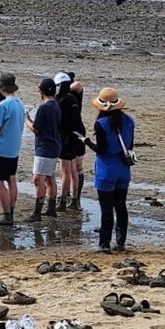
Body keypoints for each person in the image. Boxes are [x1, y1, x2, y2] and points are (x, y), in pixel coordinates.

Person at [83, 87, 134, 253]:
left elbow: (102, 149)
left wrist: (87, 142)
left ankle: (104, 244)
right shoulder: (129, 121)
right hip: (123, 168)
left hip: (106, 169)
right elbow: (130, 146)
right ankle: (121, 241)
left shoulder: (101, 124)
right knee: (121, 206)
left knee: (106, 209)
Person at [0, 73, 25, 225]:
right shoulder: (20, 103)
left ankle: (6, 215)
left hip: (3, 147)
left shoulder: (3, 105)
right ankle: (11, 209)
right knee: (11, 178)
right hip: (15, 147)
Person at [24, 78, 62, 221]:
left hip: (45, 147)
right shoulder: (56, 106)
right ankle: (51, 208)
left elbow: (36, 129)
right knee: (50, 177)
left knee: (38, 178)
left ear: (41, 91)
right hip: (54, 146)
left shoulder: (44, 107)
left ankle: (37, 213)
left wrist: (26, 120)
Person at [54, 72, 85, 212]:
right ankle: (74, 200)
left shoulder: (60, 100)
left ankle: (63, 201)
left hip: (65, 138)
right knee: (73, 170)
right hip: (76, 135)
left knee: (66, 171)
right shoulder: (73, 98)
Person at [69, 75, 87, 209]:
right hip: (69, 133)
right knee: (68, 168)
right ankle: (71, 196)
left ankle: (76, 198)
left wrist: (66, 87)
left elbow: (78, 85)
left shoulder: (75, 92)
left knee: (77, 166)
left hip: (78, 132)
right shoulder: (62, 97)